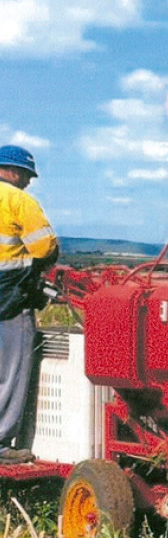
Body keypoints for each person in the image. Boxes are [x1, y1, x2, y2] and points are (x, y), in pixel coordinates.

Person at [0, 145, 58, 464]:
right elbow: (44, 247)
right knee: (11, 370)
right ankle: (2, 444)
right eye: (25, 175)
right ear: (13, 171)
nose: (27, 182)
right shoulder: (18, 201)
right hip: (9, 297)